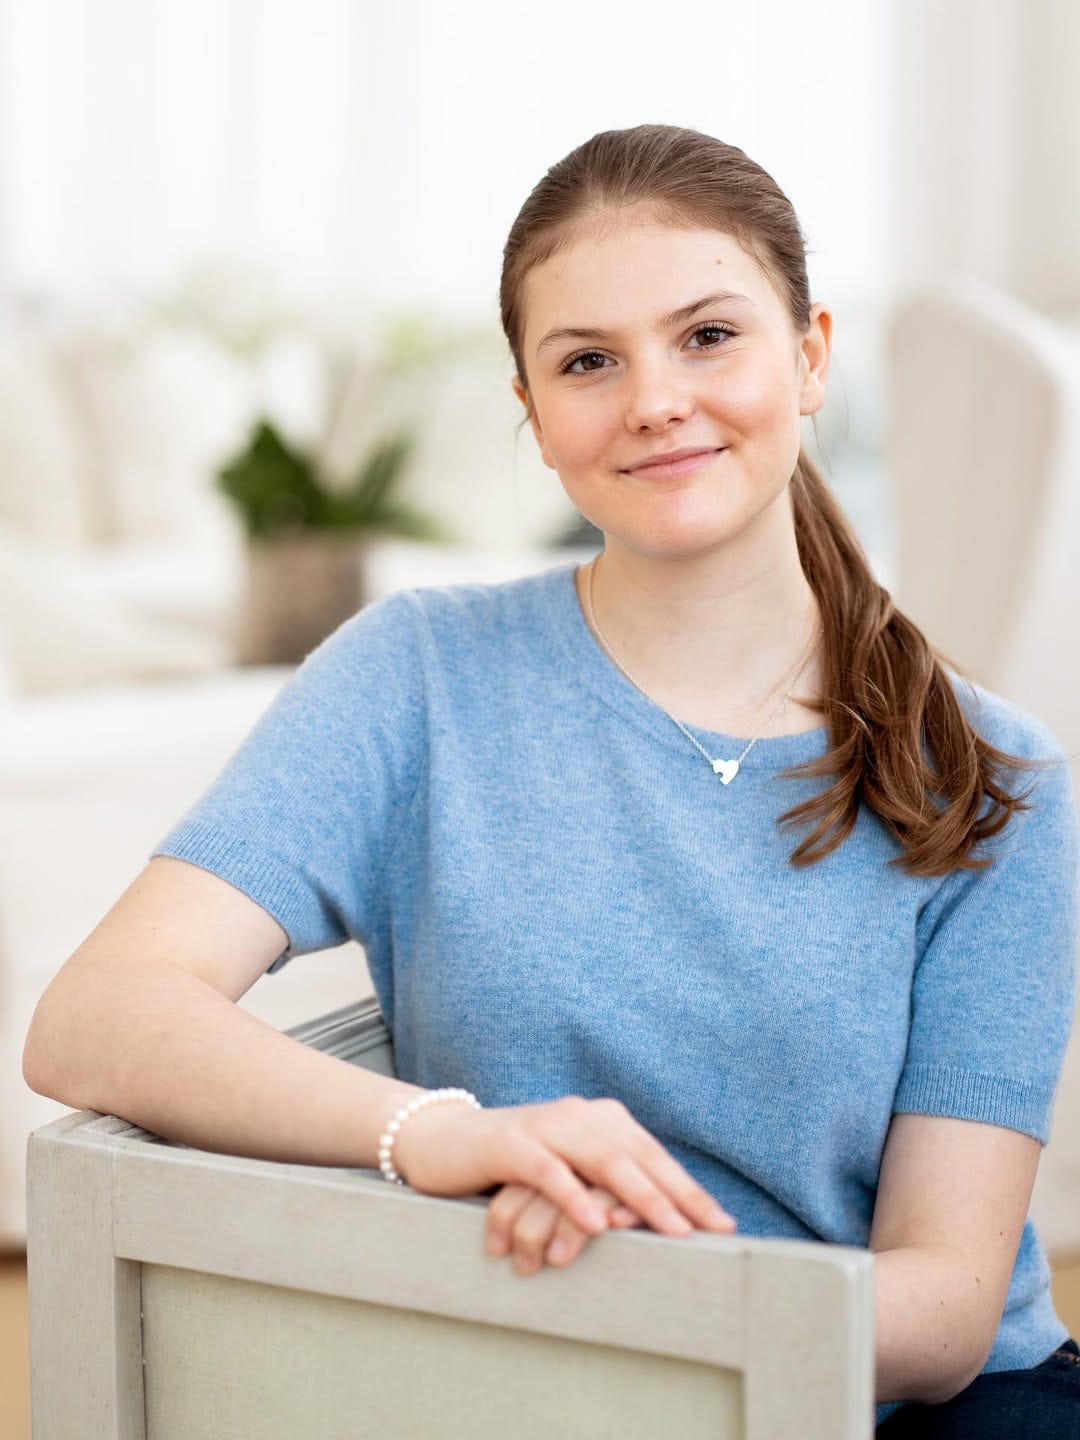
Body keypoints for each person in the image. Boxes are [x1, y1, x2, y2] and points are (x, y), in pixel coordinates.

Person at [22, 124, 1079, 1435]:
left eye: (708, 336)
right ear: (533, 414)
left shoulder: (998, 777)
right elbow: (96, 1017)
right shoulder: (417, 676)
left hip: (900, 1401)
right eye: (589, 361)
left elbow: (944, 1309)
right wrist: (438, 1134)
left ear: (809, 359)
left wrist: (630, 1299)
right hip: (531, 1374)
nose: (654, 400)